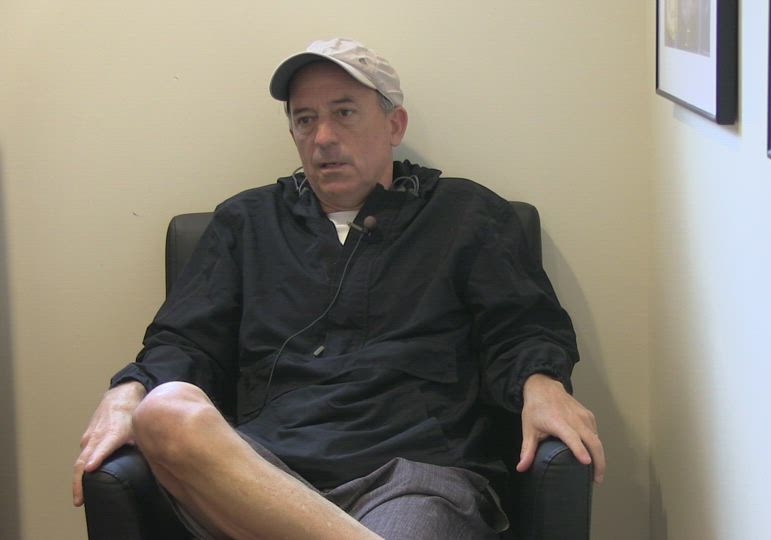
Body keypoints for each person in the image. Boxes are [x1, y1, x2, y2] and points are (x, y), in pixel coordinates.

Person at [72, 37, 605, 540]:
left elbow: (522, 326)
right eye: (305, 119)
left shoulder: (466, 214)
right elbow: (185, 340)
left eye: (344, 113)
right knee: (164, 410)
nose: (323, 137)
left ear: (394, 124)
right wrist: (129, 390)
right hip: (258, 473)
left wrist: (543, 383)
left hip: (413, 476)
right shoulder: (246, 222)